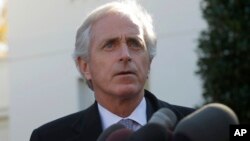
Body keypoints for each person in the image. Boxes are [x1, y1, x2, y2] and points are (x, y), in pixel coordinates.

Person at [30, 1, 195, 141]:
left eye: (135, 43)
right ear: (85, 66)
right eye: (110, 45)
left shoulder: (192, 129)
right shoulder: (49, 137)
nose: (125, 55)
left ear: (149, 62)